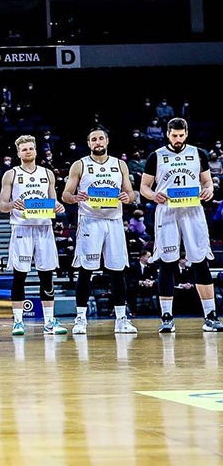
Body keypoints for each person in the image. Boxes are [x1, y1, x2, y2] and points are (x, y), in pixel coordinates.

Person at [139, 117, 223, 332]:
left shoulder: (198, 153)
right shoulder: (156, 156)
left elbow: (207, 182)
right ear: (168, 134)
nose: (178, 139)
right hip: (167, 210)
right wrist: (153, 195)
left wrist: (209, 190)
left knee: (200, 261)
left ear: (186, 134)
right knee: (167, 262)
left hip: (193, 210)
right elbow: (144, 187)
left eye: (181, 135)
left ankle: (211, 316)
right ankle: (167, 317)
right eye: (174, 135)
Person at [61, 126, 137, 334]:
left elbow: (131, 194)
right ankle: (80, 319)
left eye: (101, 138)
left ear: (107, 141)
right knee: (86, 271)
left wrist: (127, 197)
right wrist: (74, 198)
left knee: (117, 271)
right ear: (88, 143)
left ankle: (121, 319)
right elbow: (66, 194)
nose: (98, 142)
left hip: (114, 221)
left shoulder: (120, 164)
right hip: (90, 221)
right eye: (93, 139)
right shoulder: (80, 165)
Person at [0, 134, 68, 336]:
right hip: (22, 228)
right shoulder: (11, 174)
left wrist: (59, 206)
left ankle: (49, 321)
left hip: (43, 228)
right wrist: (13, 204)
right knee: (19, 276)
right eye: (24, 149)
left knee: (46, 275)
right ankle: (18, 321)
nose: (28, 152)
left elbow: (53, 201)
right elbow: (2, 206)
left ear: (36, 151)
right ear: (18, 153)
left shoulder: (47, 174)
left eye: (30, 148)